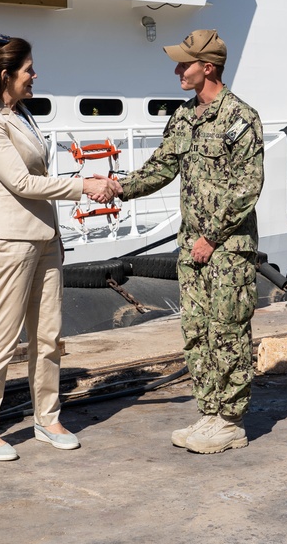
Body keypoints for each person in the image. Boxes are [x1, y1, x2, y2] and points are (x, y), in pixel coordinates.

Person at [0, 35, 117, 461]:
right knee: (0, 336)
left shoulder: (22, 114)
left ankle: (47, 418)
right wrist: (84, 185)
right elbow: (21, 183)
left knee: (48, 336)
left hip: (45, 238)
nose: (35, 75)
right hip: (8, 241)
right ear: (4, 74)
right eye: (28, 69)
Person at [112, 29, 264, 454]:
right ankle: (211, 411)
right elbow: (160, 168)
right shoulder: (184, 117)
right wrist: (118, 189)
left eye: (185, 64)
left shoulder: (240, 119)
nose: (178, 70)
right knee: (197, 331)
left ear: (208, 68)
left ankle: (231, 421)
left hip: (227, 250)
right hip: (192, 249)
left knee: (228, 330)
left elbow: (247, 188)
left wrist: (212, 237)